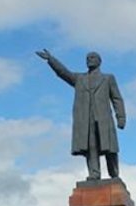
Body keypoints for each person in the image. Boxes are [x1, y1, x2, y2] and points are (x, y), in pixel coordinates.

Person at [36, 49, 126, 180]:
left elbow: (116, 98)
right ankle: (94, 173)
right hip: (86, 119)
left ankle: (114, 173)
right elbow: (63, 73)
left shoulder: (108, 78)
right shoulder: (79, 78)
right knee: (91, 146)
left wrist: (121, 117)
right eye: (87, 58)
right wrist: (51, 60)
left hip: (103, 119)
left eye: (92, 57)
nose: (89, 59)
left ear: (99, 62)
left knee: (109, 148)